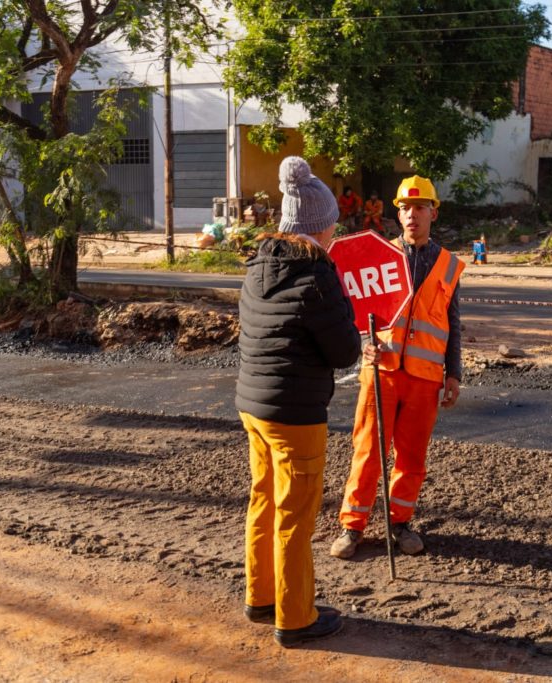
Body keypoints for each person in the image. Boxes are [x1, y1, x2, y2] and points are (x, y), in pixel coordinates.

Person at [236, 156, 361, 648]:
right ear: (318, 225)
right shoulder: (318, 276)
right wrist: (347, 312)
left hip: (253, 407)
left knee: (263, 501)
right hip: (295, 415)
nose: (334, 232)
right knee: (295, 515)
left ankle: (260, 597)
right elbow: (345, 350)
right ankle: (295, 618)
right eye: (332, 225)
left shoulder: (257, 267)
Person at [329, 175, 465, 560]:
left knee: (411, 456)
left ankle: (399, 524)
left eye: (419, 208)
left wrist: (453, 373)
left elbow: (453, 323)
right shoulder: (379, 257)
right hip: (382, 372)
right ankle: (351, 527)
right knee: (368, 450)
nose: (411, 215)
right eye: (405, 208)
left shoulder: (449, 266)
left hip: (424, 379)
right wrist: (363, 345)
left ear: (433, 213)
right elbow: (353, 312)